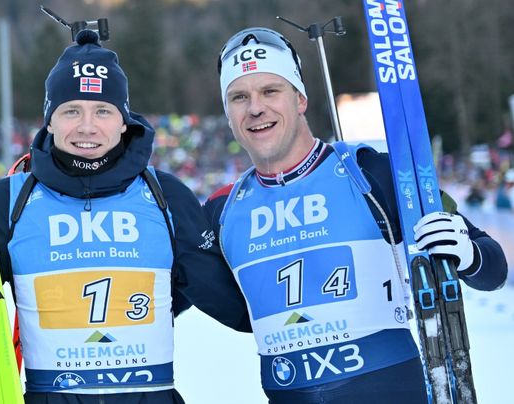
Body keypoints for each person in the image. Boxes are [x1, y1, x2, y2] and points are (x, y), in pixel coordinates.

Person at [205, 27, 508, 403]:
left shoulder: (372, 174)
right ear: (228, 114)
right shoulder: (222, 210)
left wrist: (469, 254)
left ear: (300, 99)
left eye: (271, 91)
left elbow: (493, 269)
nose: (255, 108)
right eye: (239, 97)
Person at [0, 30, 250, 403]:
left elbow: (232, 303)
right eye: (71, 110)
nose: (87, 126)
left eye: (103, 111)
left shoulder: (165, 195)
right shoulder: (7, 201)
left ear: (124, 120)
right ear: (50, 121)